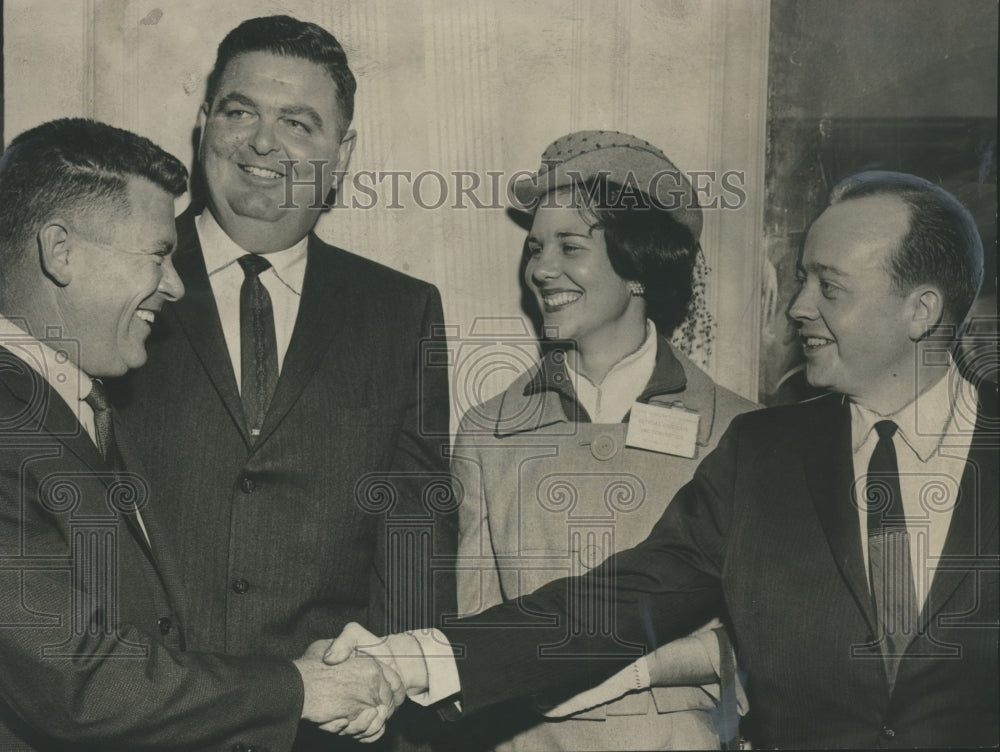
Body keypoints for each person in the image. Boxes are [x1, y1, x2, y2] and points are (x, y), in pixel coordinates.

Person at [329, 171, 998, 749]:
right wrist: (414, 656)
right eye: (801, 281)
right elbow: (623, 598)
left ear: (921, 311)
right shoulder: (764, 453)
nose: (797, 308)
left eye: (830, 287)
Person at [0, 117, 403, 751]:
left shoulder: (61, 405)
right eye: (157, 255)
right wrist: (298, 688)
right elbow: (79, 682)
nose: (175, 284)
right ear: (60, 251)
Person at [108, 16, 455, 750]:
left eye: (298, 122)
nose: (263, 143)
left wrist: (394, 700)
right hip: (139, 718)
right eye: (240, 112)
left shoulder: (400, 311)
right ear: (203, 124)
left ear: (342, 152)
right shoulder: (116, 284)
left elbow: (413, 530)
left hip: (330, 733)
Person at [451, 131, 756, 751]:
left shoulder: (739, 430)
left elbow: (759, 635)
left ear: (639, 264)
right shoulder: (488, 431)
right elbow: (475, 637)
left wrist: (640, 671)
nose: (540, 269)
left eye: (570, 245)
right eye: (535, 247)